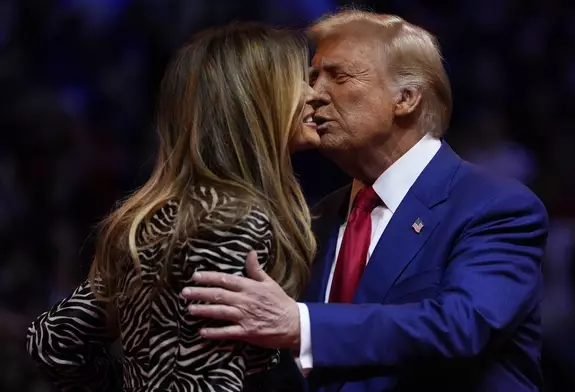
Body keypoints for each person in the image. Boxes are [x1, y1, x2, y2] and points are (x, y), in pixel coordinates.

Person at [181, 10, 549, 392]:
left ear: (405, 98)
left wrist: (302, 325)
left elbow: (461, 324)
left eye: (337, 77)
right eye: (311, 78)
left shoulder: (495, 206)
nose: (313, 95)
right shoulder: (314, 218)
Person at [26, 22, 320, 392]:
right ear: (254, 100)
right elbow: (203, 378)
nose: (314, 95)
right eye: (299, 81)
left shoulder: (161, 215)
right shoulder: (230, 220)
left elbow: (52, 341)